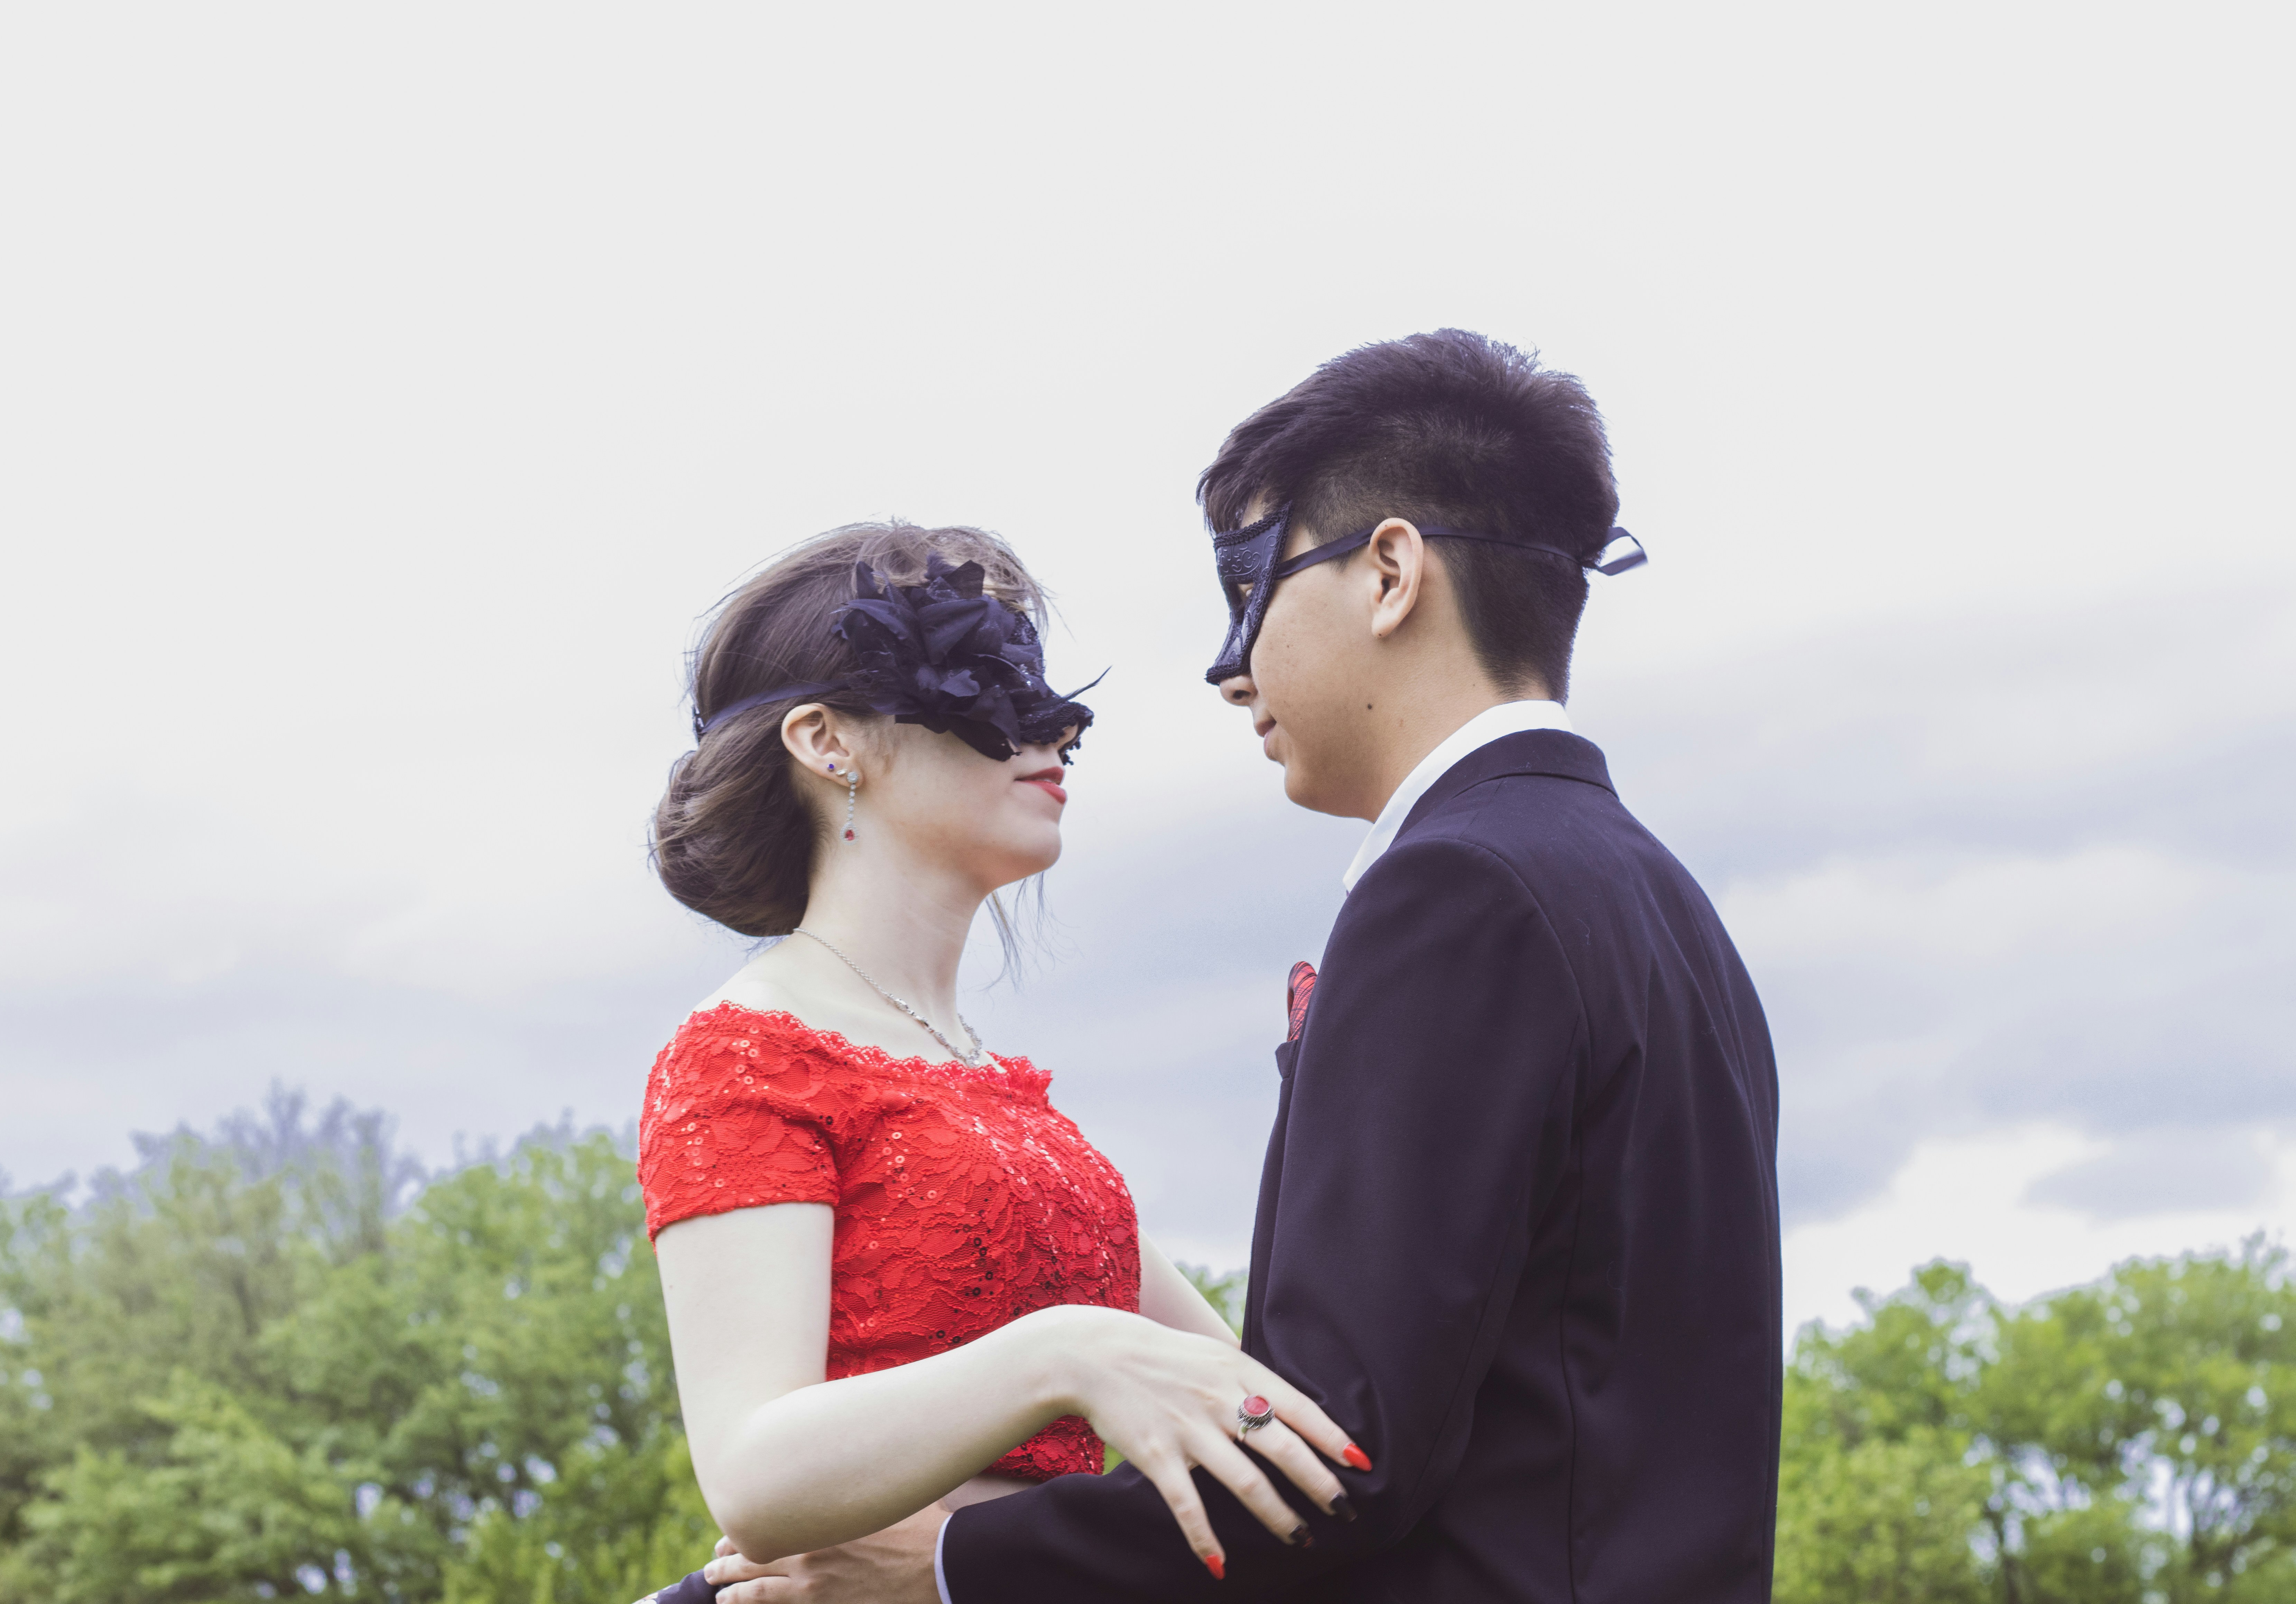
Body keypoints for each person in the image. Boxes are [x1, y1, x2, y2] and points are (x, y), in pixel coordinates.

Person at [725, 331, 1783, 1602]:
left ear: (1391, 572)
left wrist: (946, 1566)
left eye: (1251, 587)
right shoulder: (1666, 904)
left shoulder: (1456, 894)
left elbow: (1339, 1458)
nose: (1231, 673)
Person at [627, 523, 1370, 1604]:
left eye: (1043, 687)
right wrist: (1064, 1354)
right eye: (980, 678)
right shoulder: (744, 1057)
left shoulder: (1006, 1100)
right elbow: (753, 1469)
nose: (1056, 727)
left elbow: (1258, 1413)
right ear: (826, 740)